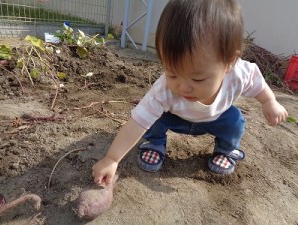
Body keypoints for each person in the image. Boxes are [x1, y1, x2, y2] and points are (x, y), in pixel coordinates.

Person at [92, 0, 288, 185]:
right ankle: (155, 144)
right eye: (172, 73)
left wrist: (269, 102)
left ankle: (225, 150)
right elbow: (137, 122)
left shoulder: (239, 73)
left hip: (216, 119)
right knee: (153, 119)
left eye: (197, 79)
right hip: (175, 118)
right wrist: (111, 158)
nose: (183, 87)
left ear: (229, 62)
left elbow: (258, 83)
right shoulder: (164, 89)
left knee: (235, 121)